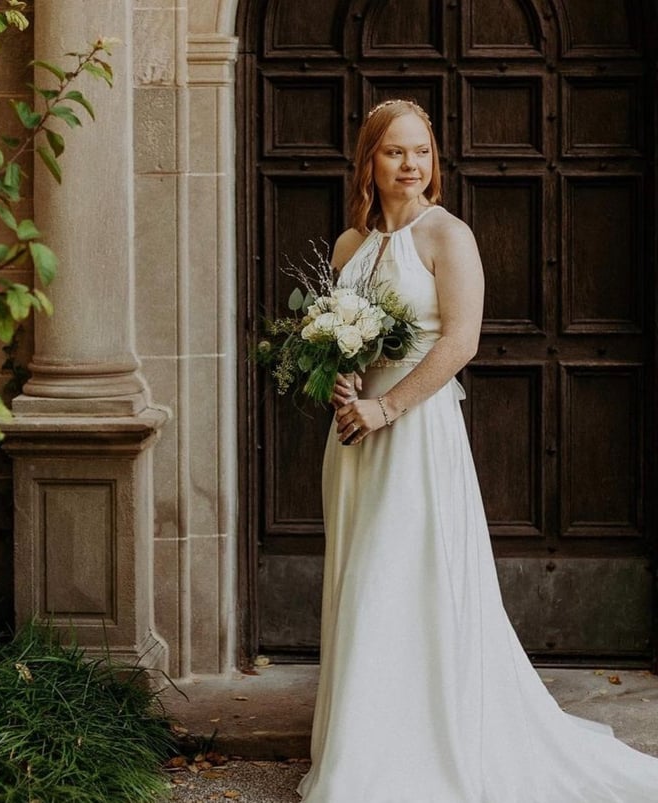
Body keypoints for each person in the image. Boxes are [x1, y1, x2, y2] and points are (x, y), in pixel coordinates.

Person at [296, 99, 658, 802]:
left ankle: (415, 749)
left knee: (402, 576)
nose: (411, 165)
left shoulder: (447, 236)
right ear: (369, 159)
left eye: (421, 151)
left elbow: (460, 341)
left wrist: (388, 404)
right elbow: (337, 336)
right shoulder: (348, 246)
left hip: (416, 433)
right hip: (353, 439)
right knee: (359, 580)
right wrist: (338, 379)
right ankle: (363, 739)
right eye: (395, 152)